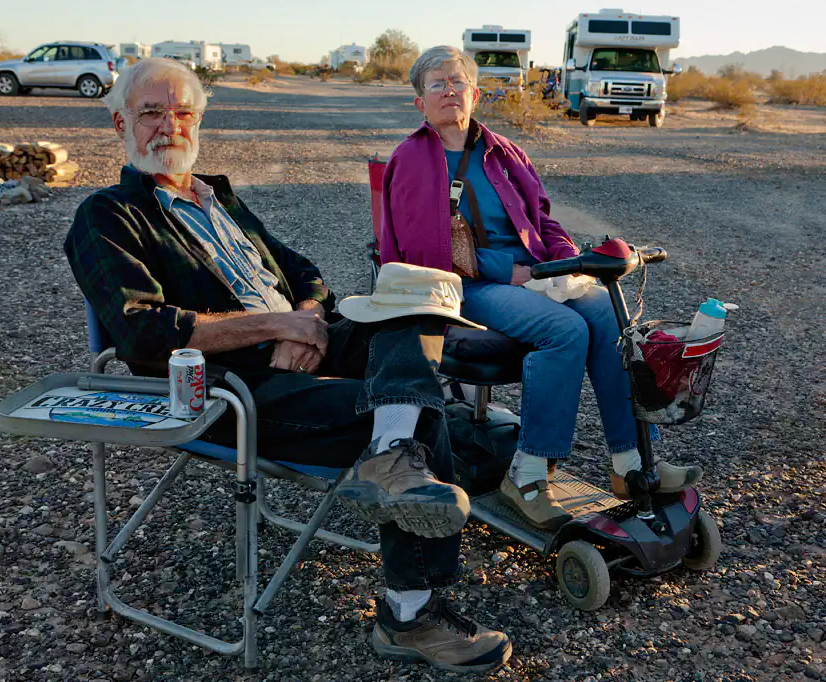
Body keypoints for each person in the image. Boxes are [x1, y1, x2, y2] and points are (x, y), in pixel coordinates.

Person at [63, 58, 511, 674]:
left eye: (183, 112)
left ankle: (389, 456)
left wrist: (308, 319)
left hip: (301, 343)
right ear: (120, 123)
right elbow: (142, 331)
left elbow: (305, 273)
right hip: (229, 387)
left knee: (416, 310)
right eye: (151, 113)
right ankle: (408, 616)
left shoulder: (218, 198)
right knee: (419, 412)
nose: (170, 125)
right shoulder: (108, 215)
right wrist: (278, 326)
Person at [380, 46, 703, 531]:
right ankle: (528, 474)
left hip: (534, 273)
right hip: (461, 286)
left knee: (609, 315)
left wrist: (568, 260)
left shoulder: (504, 152)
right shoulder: (412, 159)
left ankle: (631, 462)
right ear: (419, 102)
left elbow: (543, 220)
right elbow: (422, 248)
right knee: (564, 329)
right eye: (436, 84)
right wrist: (509, 271)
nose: (449, 91)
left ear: (474, 94)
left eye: (457, 81)